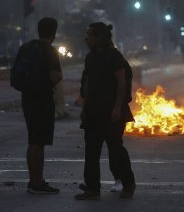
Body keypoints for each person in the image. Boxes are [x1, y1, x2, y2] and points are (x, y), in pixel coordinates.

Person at [75, 22, 136, 200]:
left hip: (111, 112)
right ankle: (92, 188)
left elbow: (122, 82)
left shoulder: (114, 57)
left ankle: (128, 184)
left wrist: (117, 107)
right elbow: (87, 83)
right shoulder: (91, 57)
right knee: (91, 151)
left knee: (116, 150)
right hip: (93, 112)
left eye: (89, 35)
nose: (85, 38)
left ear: (99, 37)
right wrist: (84, 107)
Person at [17, 17, 62, 194]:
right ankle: (38, 183)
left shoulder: (27, 47)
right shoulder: (50, 51)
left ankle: (32, 180)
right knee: (39, 142)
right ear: (54, 32)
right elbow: (55, 77)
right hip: (42, 99)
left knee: (32, 140)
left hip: (27, 98)